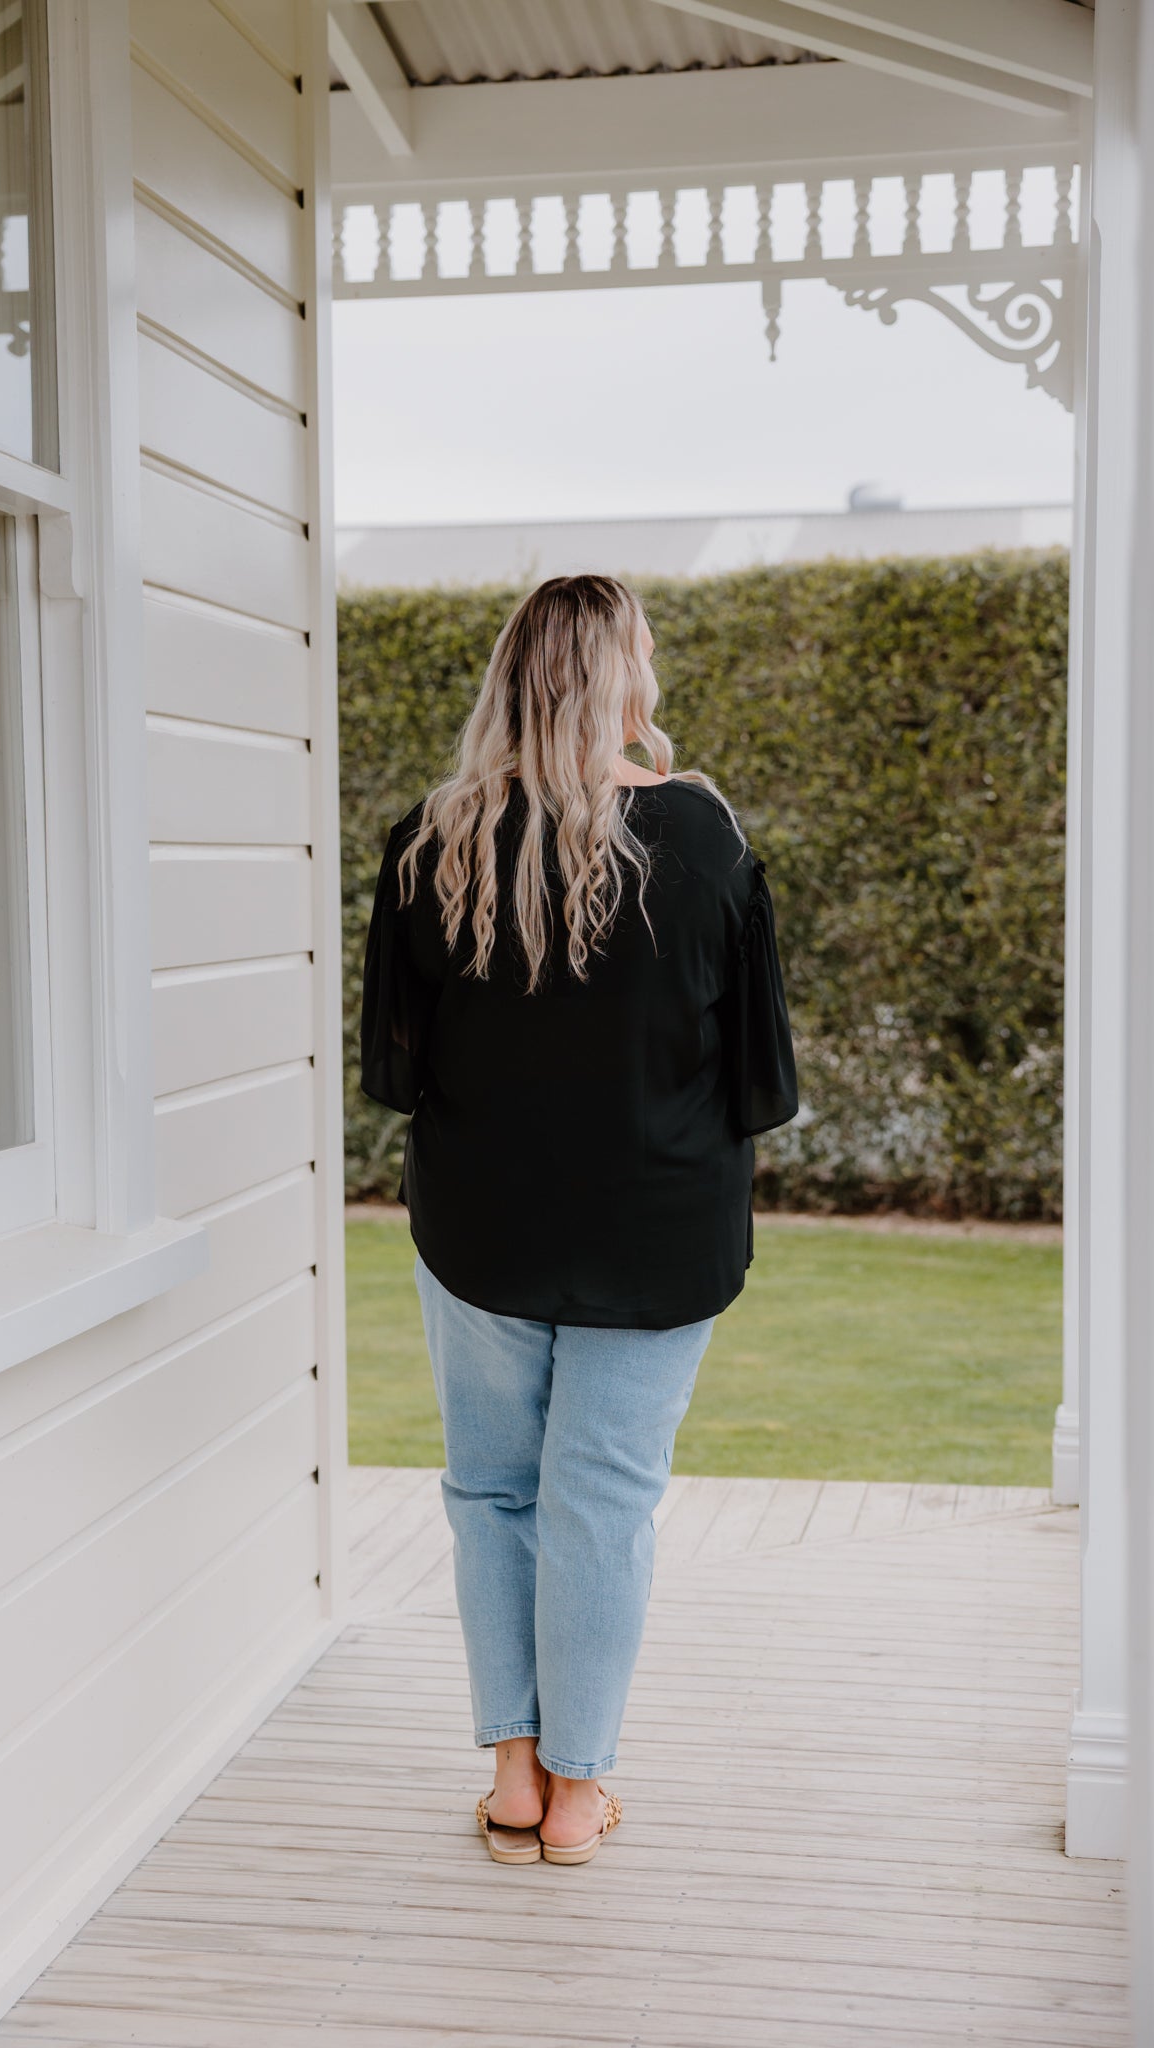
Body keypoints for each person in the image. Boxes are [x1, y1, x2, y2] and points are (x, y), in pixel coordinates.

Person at [360, 574, 798, 1867]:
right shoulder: (703, 838)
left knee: (492, 1491)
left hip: (480, 1230)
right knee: (600, 1502)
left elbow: (396, 1071)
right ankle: (576, 1795)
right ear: (623, 679)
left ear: (511, 676)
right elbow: (761, 1082)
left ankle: (514, 1776)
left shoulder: (427, 841)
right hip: (658, 1234)